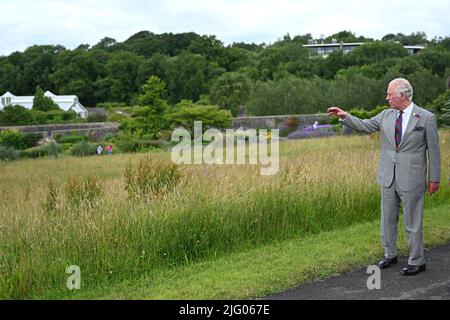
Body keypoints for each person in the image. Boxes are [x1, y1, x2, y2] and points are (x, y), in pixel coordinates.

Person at [327, 78, 441, 276]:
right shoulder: (385, 115)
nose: (386, 97)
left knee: (412, 222)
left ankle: (417, 260)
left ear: (402, 95)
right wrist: (345, 116)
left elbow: (434, 151)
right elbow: (364, 125)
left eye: (390, 94)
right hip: (387, 176)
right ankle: (390, 254)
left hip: (412, 178)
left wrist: (434, 178)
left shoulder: (426, 118)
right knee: (387, 219)